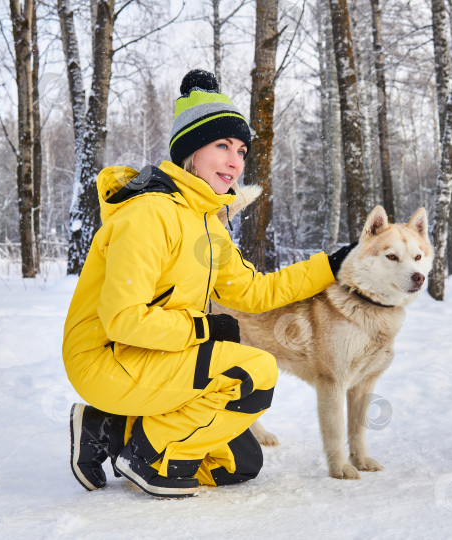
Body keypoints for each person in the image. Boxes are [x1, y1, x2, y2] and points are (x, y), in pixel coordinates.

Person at [62, 69, 355, 498]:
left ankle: (107, 427)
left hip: (157, 360)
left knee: (240, 464)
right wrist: (203, 329)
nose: (236, 162)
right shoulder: (149, 214)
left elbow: (255, 292)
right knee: (252, 372)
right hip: (107, 360)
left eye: (240, 150)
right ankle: (147, 456)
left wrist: (331, 266)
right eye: (222, 146)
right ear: (190, 152)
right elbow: (124, 320)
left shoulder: (205, 223)